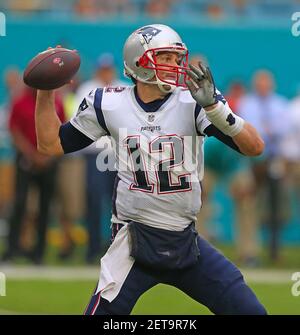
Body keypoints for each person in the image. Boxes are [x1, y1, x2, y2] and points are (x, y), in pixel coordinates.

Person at [35, 24, 266, 314]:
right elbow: (51, 144)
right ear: (139, 62)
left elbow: (254, 147)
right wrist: (45, 92)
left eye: (176, 58)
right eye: (165, 58)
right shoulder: (108, 103)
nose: (175, 66)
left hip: (184, 238)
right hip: (132, 241)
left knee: (250, 311)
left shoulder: (194, 102)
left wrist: (215, 109)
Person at [2, 86, 65, 264]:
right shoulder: (20, 102)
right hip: (25, 159)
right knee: (19, 204)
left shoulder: (56, 101)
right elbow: (14, 130)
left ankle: (39, 252)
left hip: (49, 161)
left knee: (45, 206)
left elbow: (61, 129)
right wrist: (31, 154)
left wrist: (47, 156)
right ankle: (12, 249)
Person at [238, 70, 289, 261]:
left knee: (277, 206)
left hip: (274, 159)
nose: (263, 87)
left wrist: (265, 130)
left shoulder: (280, 103)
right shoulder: (247, 103)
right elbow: (246, 128)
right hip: (252, 161)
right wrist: (265, 131)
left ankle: (275, 250)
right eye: (259, 83)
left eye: (266, 83)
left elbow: (283, 129)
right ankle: (249, 251)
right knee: (249, 204)